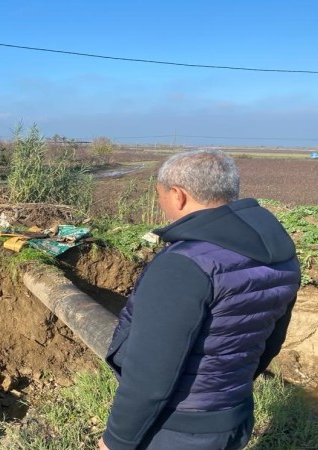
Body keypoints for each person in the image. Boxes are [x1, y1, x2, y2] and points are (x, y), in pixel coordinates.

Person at [99, 149, 300, 450]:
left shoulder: (185, 264)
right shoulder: (281, 253)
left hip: (178, 429)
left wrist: (116, 440)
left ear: (177, 195)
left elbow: (151, 374)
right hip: (233, 416)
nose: (161, 204)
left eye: (160, 196)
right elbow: (271, 341)